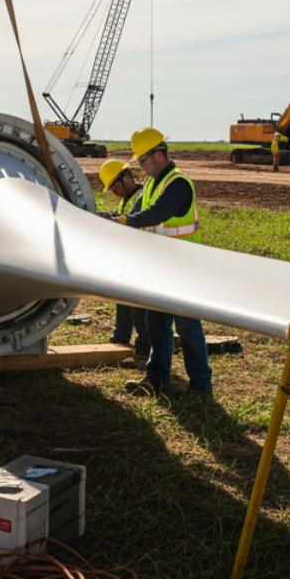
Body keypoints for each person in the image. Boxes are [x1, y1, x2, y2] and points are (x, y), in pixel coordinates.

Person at [118, 127, 212, 398]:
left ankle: (200, 385)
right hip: (160, 266)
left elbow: (157, 213)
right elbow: (138, 213)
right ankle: (157, 377)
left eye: (142, 161)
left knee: (187, 326)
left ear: (158, 155)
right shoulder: (152, 184)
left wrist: (125, 221)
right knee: (156, 323)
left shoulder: (178, 183)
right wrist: (114, 218)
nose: (140, 167)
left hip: (183, 267)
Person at [98, 158, 150, 370]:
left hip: (141, 257)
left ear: (127, 178)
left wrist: (111, 219)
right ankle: (121, 337)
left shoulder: (140, 196)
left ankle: (144, 349)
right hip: (129, 257)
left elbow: (131, 221)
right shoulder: (127, 198)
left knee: (138, 307)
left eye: (115, 186)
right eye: (111, 189)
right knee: (122, 301)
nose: (114, 192)